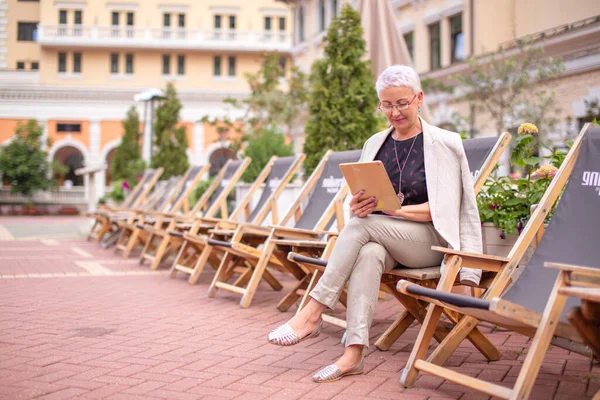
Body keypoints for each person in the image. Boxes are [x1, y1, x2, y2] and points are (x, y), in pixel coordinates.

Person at [267, 65, 483, 383]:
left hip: (430, 240)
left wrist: (395, 213)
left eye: (401, 103)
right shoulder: (375, 143)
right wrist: (358, 205)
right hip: (386, 236)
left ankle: (312, 311)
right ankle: (353, 355)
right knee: (368, 252)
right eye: (386, 104)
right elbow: (365, 201)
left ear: (419, 98)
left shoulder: (445, 143)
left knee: (361, 229)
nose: (393, 112)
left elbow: (447, 209)